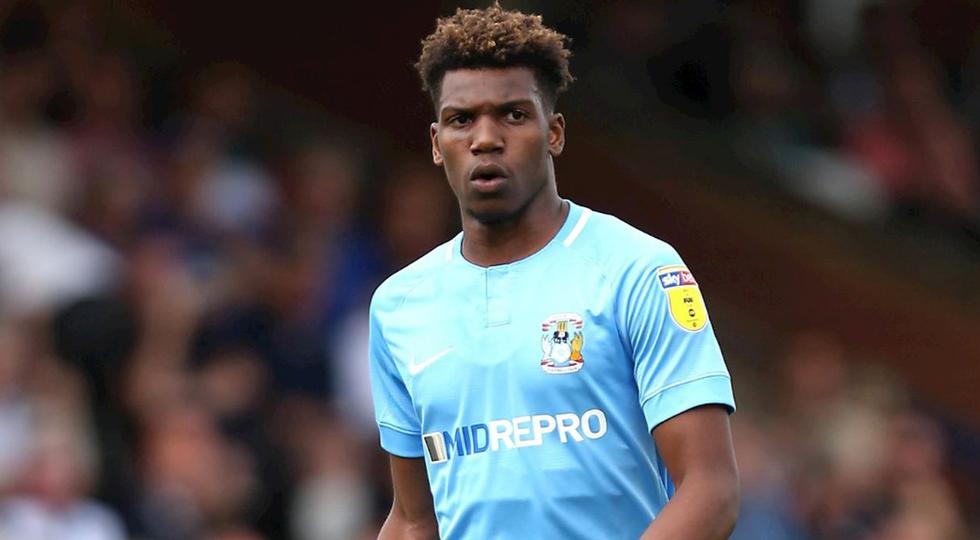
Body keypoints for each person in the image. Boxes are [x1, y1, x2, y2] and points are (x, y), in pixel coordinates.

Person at [368, 4, 738, 539]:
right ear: (435, 142)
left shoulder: (637, 271)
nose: (485, 139)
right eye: (461, 120)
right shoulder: (399, 305)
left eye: (513, 115)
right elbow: (412, 519)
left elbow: (710, 490)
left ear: (555, 133)